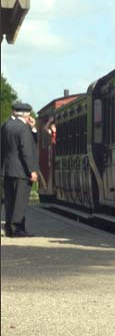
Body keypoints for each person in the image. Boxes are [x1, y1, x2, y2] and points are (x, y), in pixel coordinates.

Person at [1, 102, 39, 237]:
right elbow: (26, 150)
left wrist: (33, 128)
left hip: (7, 169)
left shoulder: (5, 126)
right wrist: (32, 170)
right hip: (21, 171)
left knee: (10, 201)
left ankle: (9, 228)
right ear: (26, 114)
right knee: (20, 202)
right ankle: (17, 229)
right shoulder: (23, 128)